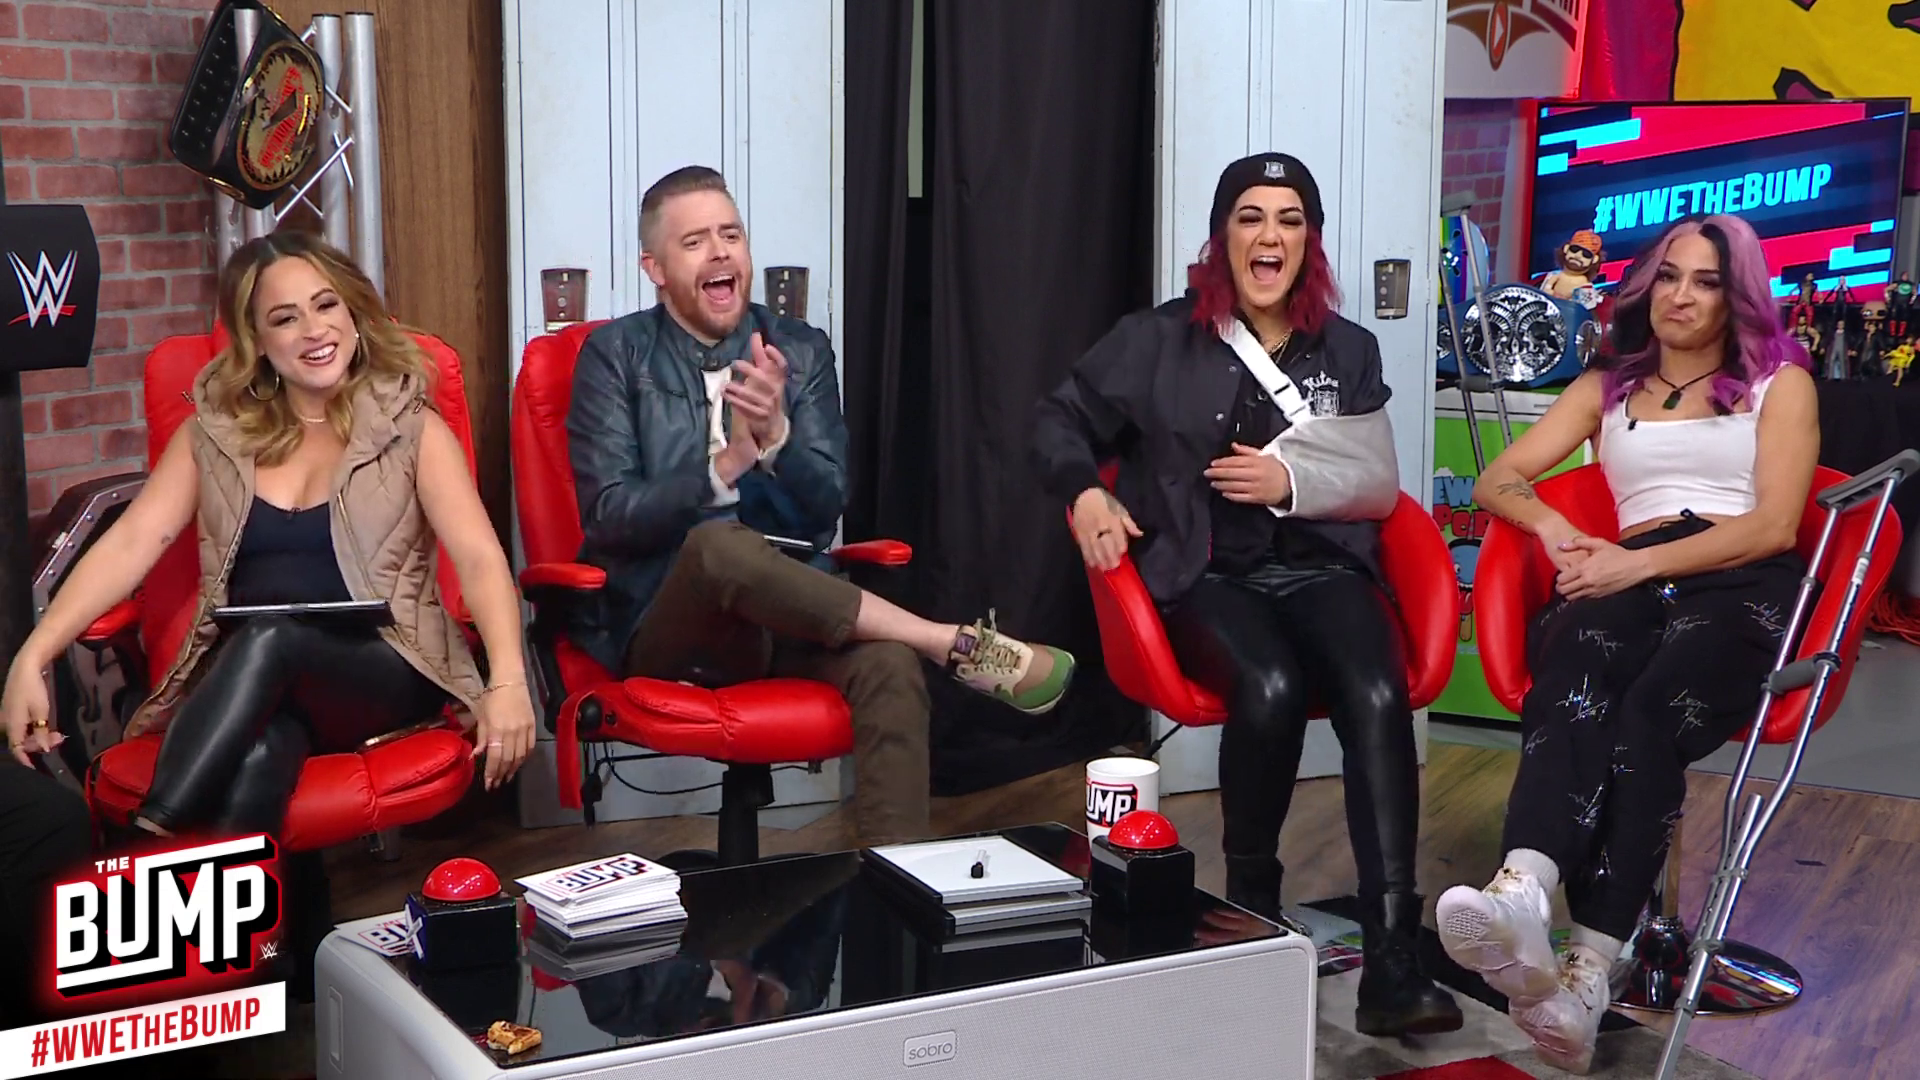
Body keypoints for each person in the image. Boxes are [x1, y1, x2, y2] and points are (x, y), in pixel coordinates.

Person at [1031, 152, 1462, 1037]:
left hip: (1324, 566)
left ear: (1311, 241)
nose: (1271, 236)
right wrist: (1086, 493)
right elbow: (1055, 419)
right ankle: (1253, 921)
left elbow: (1373, 483)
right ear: (1222, 236)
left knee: (1379, 691)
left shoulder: (1350, 348)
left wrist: (1289, 483)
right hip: (1204, 576)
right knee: (1267, 686)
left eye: (1290, 219)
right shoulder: (1158, 339)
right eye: (1252, 217)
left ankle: (1391, 957)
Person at [567, 165, 1075, 847]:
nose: (720, 252)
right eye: (694, 242)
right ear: (654, 268)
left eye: (731, 235)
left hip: (791, 616)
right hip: (669, 620)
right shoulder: (614, 356)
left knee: (889, 669)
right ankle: (942, 639)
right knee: (718, 545)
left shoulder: (800, 350)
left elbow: (827, 505)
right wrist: (727, 466)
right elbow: (609, 515)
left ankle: (897, 889)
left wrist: (778, 439)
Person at [1, 232, 537, 841]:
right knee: (261, 749)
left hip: (386, 665)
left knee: (273, 635)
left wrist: (509, 682)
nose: (314, 329)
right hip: (258, 682)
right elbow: (132, 543)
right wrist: (33, 655)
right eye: (285, 318)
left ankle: (148, 846)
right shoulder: (214, 437)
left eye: (326, 305)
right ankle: (251, 904)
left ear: (353, 314)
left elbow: (479, 557)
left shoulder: (410, 427)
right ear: (256, 340)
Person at [1438, 214, 1817, 1074]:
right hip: (1630, 566)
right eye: (1670, 276)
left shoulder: (1778, 383)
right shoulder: (1609, 383)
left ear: (1736, 295)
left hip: (1741, 578)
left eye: (1707, 281)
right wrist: (1553, 529)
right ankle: (1523, 892)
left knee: (1646, 716)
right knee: (1573, 664)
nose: (1682, 296)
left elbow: (1774, 525)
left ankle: (1588, 973)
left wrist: (1633, 565)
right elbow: (1500, 479)